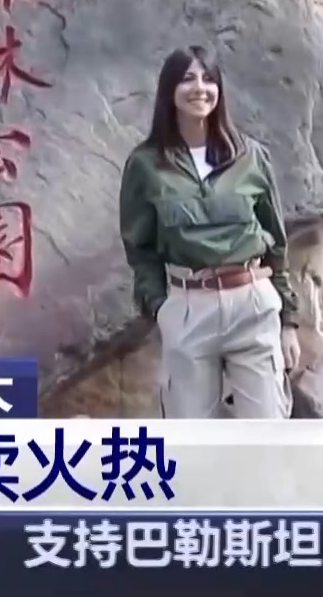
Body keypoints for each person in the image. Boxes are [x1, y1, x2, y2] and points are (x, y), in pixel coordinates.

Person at [119, 45, 301, 418]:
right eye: (187, 78)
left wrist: (288, 322)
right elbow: (140, 249)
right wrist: (162, 309)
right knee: (193, 438)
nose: (199, 88)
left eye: (208, 78)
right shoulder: (146, 164)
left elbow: (276, 242)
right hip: (188, 307)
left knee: (267, 433)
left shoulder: (251, 156)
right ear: (169, 90)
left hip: (252, 303)